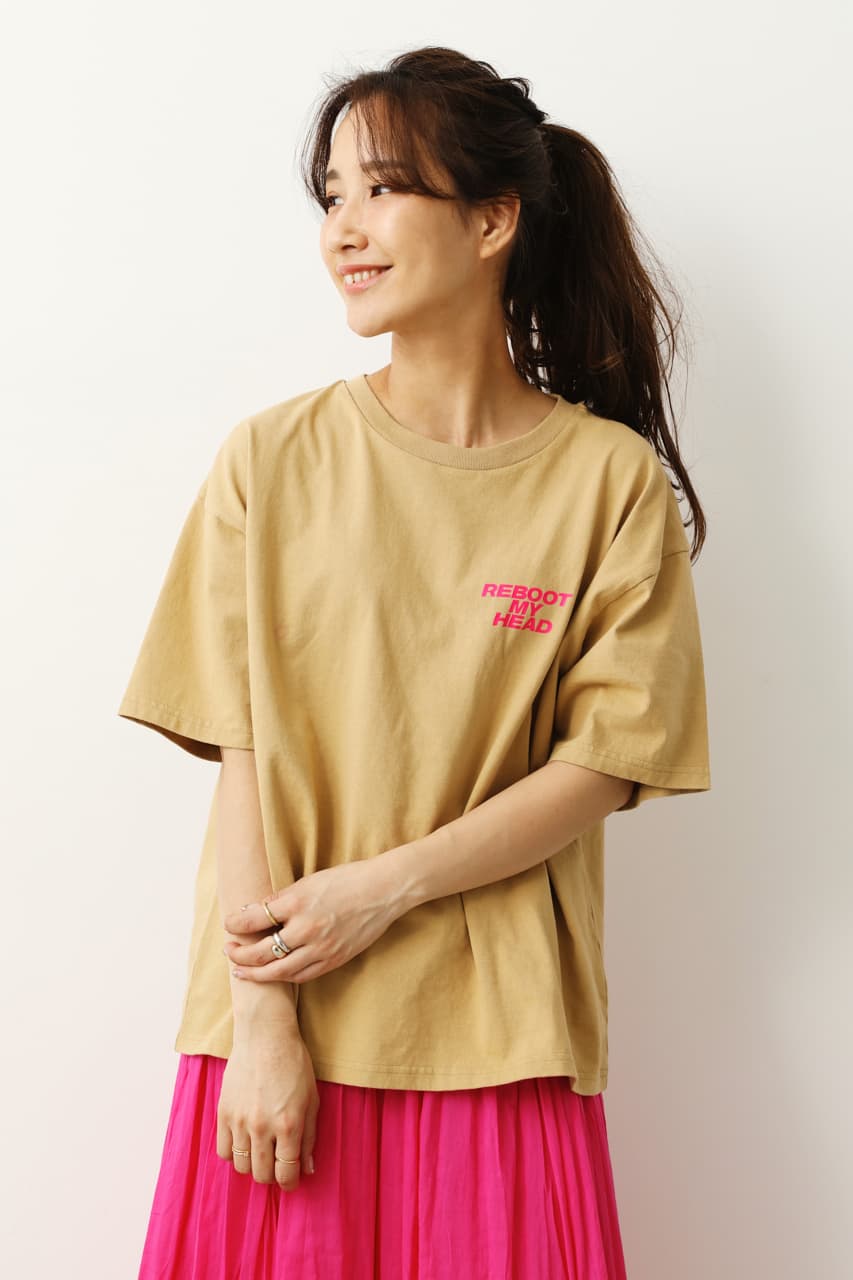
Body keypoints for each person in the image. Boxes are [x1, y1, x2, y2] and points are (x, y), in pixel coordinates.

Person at [117, 44, 711, 1280]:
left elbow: (604, 764)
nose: (344, 227)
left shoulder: (606, 484)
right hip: (285, 1029)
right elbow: (243, 755)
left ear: (492, 219)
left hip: (500, 1033)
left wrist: (381, 888)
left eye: (383, 188)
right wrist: (261, 1022)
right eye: (331, 195)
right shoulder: (269, 461)